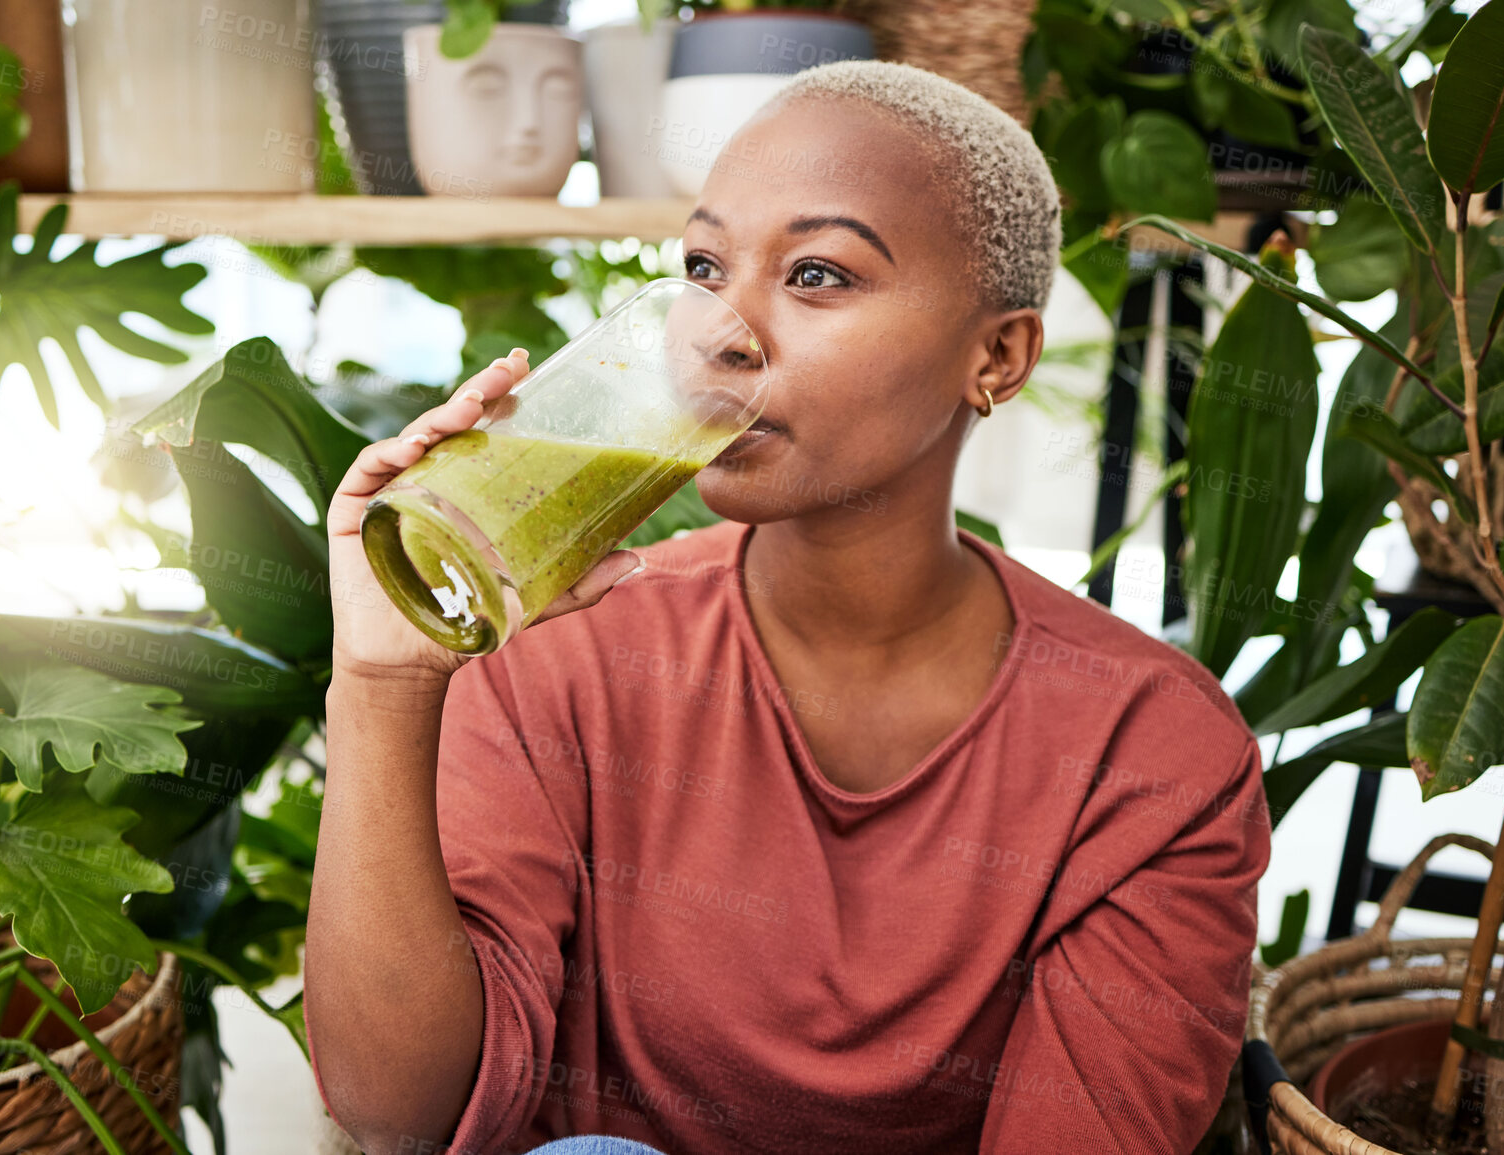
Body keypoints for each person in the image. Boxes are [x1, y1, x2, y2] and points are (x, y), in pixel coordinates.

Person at [304, 58, 1270, 1155]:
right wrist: (382, 681)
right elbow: (395, 1111)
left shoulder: (1154, 756)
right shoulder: (556, 643)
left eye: (817, 275)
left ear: (996, 356)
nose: (722, 332)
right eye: (705, 267)